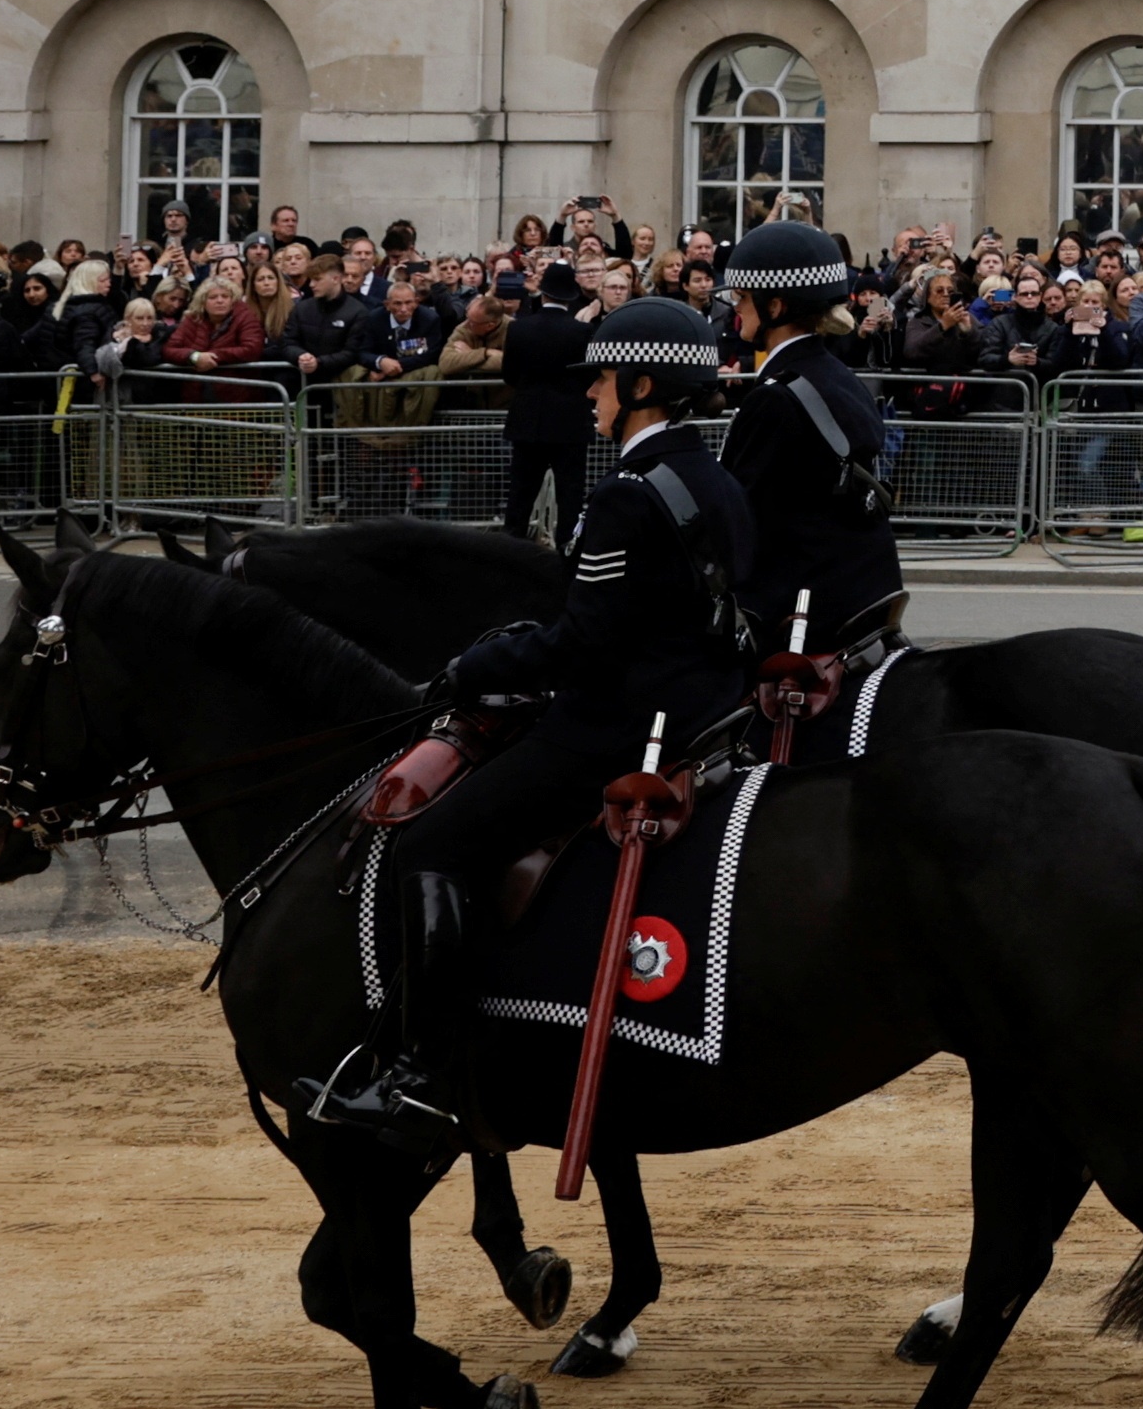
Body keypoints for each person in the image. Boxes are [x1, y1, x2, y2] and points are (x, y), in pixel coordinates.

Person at [301, 295, 754, 1137]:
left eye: (603, 380)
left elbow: (585, 640)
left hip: (617, 723)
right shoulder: (715, 476)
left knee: (428, 843)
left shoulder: (625, 496)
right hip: (702, 706)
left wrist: (473, 665)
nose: (590, 395)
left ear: (644, 382)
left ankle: (424, 1068)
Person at [715, 216, 905, 661]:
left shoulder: (778, 397)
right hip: (861, 592)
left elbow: (740, 515)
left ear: (775, 307)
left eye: (742, 297)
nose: (735, 308)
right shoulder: (835, 376)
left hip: (806, 611)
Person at [496, 260, 603, 541]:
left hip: (528, 422)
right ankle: (567, 563)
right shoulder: (581, 332)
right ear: (570, 296)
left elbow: (510, 375)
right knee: (570, 500)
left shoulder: (519, 329)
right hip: (570, 425)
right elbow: (589, 377)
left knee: (519, 499)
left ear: (542, 293)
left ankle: (511, 560)